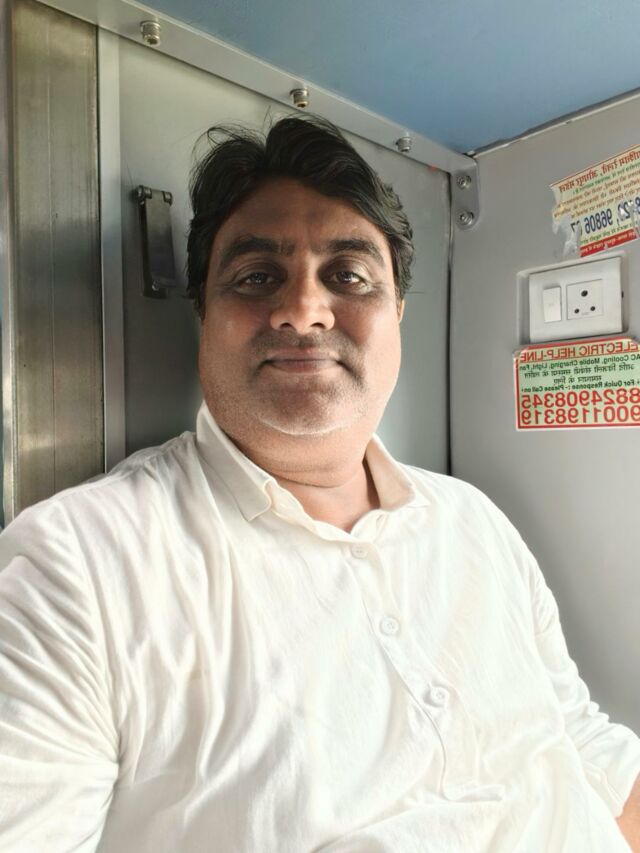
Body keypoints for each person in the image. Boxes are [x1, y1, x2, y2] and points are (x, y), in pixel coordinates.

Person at [0, 115, 638, 853]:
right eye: (257, 277)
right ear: (204, 313)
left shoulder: (474, 521)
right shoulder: (75, 567)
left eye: (348, 276)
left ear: (396, 315)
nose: (303, 310)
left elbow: (584, 748)